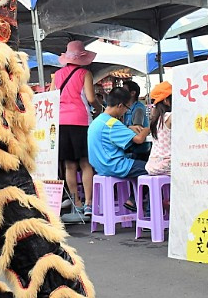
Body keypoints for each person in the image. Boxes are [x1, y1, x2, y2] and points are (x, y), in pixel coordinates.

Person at [52, 41, 101, 223]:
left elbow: (52, 97)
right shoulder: (85, 74)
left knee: (69, 165)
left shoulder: (57, 75)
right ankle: (89, 203)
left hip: (61, 122)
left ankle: (77, 203)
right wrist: (99, 107)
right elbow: (90, 98)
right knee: (86, 163)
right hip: (80, 122)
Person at [87, 86, 152, 189]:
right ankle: (138, 201)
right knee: (153, 168)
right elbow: (139, 139)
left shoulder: (98, 121)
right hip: (115, 166)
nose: (126, 111)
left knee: (139, 162)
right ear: (120, 105)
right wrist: (147, 129)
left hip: (100, 166)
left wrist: (128, 128)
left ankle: (133, 199)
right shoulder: (112, 123)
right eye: (127, 107)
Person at [144, 82, 172, 176]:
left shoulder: (156, 119)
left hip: (151, 164)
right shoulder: (170, 117)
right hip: (166, 164)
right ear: (166, 100)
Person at [121, 81, 150, 161]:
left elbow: (137, 129)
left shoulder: (138, 109)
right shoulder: (126, 108)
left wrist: (125, 128)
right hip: (131, 146)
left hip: (139, 150)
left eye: (124, 90)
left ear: (133, 93)